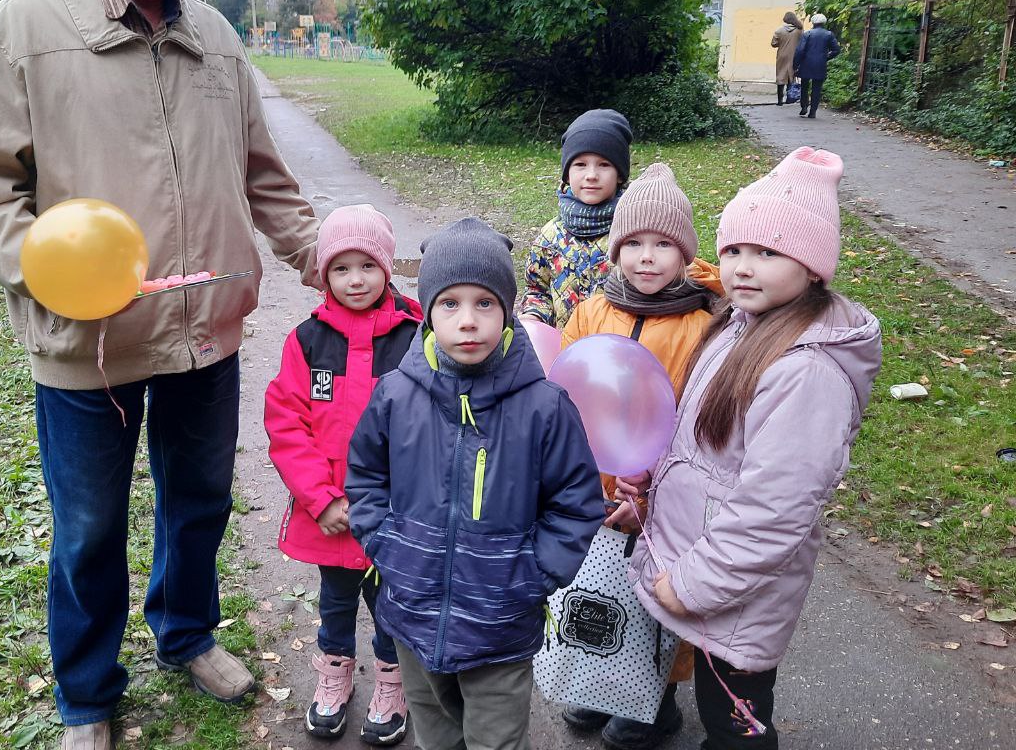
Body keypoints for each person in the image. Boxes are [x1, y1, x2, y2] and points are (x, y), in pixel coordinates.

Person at [0, 0, 320, 750]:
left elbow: (263, 175)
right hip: (89, 346)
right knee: (88, 527)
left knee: (199, 503)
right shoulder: (25, 28)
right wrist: (58, 274)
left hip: (205, 332)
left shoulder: (217, 36)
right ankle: (87, 693)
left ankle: (185, 634)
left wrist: (327, 255)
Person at [623, 147, 882, 750]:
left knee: (735, 723)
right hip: (707, 568)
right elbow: (703, 443)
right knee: (720, 709)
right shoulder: (738, 325)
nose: (743, 265)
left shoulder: (807, 373)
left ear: (814, 266)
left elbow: (776, 507)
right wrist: (651, 482)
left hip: (732, 593)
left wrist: (691, 585)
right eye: (735, 249)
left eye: (768, 252)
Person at [347, 217, 605, 750]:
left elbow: (577, 504)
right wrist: (388, 547)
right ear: (426, 313)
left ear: (508, 309)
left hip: (500, 624)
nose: (468, 321)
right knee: (436, 736)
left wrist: (533, 574)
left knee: (495, 741)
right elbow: (366, 476)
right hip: (413, 614)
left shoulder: (545, 407)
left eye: (484, 303)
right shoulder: (396, 396)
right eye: (450, 304)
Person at [558, 162, 721, 750]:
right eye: (633, 244)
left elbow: (696, 421)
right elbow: (565, 391)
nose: (646, 258)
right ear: (616, 249)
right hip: (592, 484)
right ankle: (600, 683)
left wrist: (648, 489)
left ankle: (657, 702)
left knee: (653, 592)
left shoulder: (702, 325)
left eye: (663, 245)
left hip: (659, 493)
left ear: (685, 256)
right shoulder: (595, 309)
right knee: (595, 583)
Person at [263, 205, 422, 745]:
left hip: (395, 512)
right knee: (335, 599)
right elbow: (288, 424)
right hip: (330, 513)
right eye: (341, 268)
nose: (355, 280)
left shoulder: (416, 335)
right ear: (323, 274)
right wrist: (321, 499)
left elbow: (433, 420)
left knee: (391, 604)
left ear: (387, 268)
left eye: (367, 266)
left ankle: (391, 683)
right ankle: (333, 680)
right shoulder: (307, 341)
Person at [518, 109, 633, 329]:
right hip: (564, 352)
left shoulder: (633, 233)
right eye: (580, 164)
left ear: (619, 174)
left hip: (618, 351)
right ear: (567, 174)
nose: (591, 175)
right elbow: (537, 291)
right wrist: (533, 317)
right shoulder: (550, 237)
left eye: (604, 164)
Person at [792, 14, 842, 119]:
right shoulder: (829, 34)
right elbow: (836, 50)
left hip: (806, 63)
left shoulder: (807, 34)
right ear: (823, 22)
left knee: (804, 86)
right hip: (820, 64)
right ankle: (813, 111)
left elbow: (800, 50)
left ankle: (804, 106)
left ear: (813, 23)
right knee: (817, 88)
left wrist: (795, 64)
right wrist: (826, 57)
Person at [770, 12, 804, 106]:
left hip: (782, 56)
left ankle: (780, 101)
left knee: (780, 77)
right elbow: (803, 42)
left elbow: (773, 44)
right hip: (795, 55)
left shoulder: (779, 30)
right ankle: (790, 97)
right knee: (791, 76)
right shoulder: (799, 30)